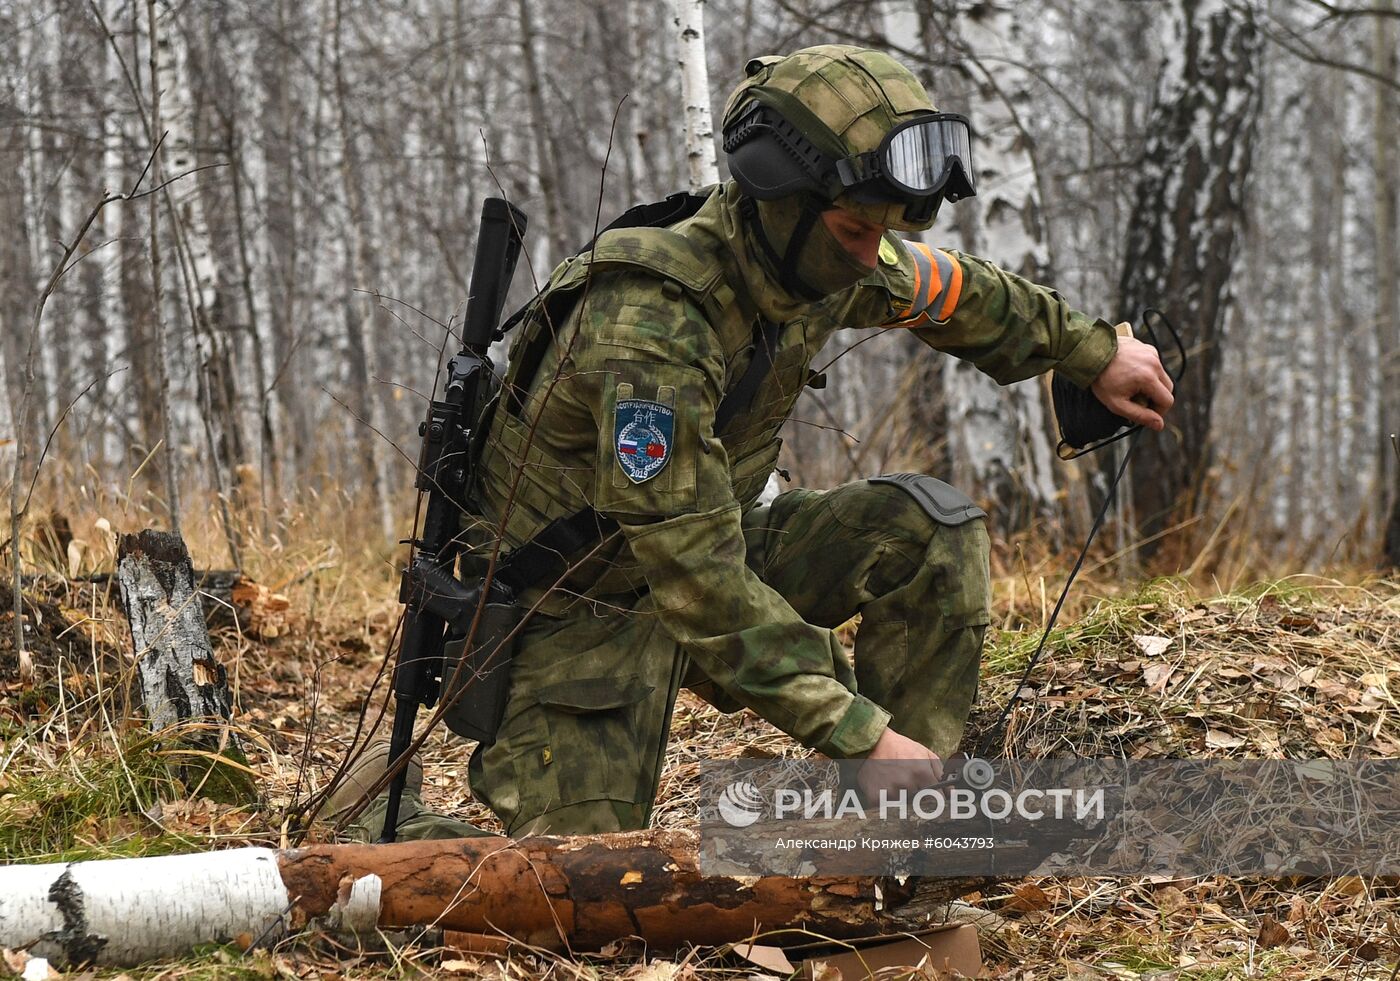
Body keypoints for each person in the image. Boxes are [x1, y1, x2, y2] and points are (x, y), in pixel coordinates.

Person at [327, 44, 1174, 840]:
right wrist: (858, 732)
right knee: (574, 897)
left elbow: (955, 291)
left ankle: (901, 840)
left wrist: (1092, 351)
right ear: (783, 203)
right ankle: (361, 812)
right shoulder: (652, 323)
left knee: (929, 529)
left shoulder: (819, 256)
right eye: (854, 233)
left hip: (711, 551)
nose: (871, 256)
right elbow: (696, 578)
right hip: (581, 609)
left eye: (882, 234)